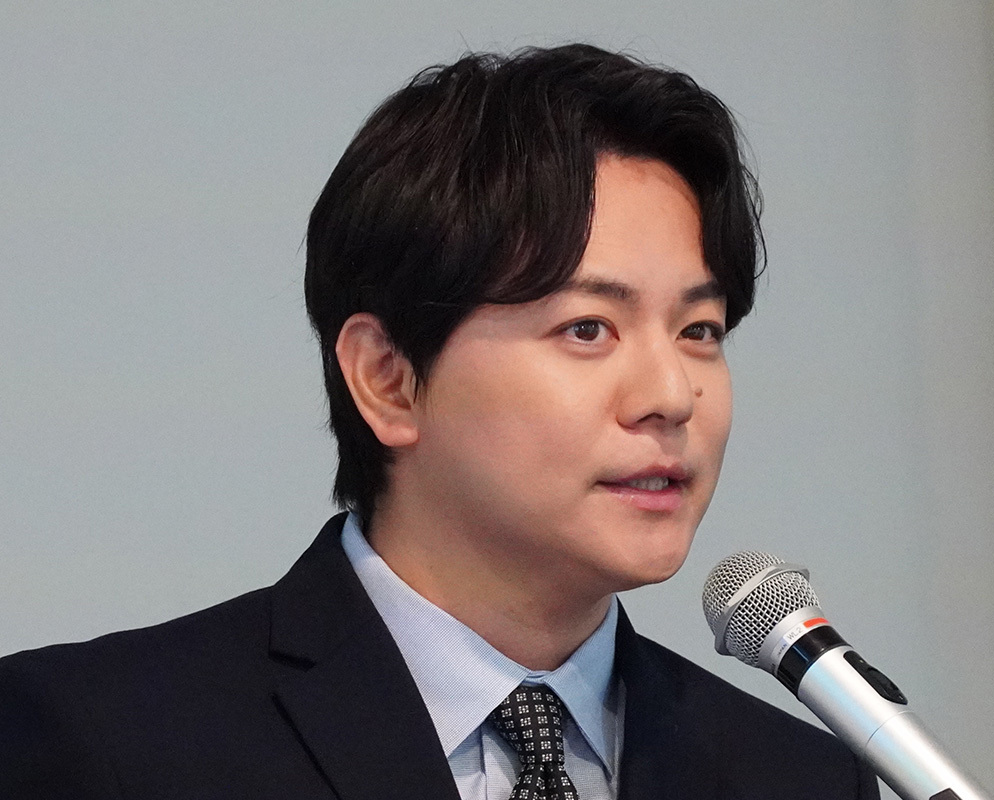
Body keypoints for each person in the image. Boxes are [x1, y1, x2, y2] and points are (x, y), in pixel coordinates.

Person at [0, 44, 879, 799]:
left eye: (699, 331)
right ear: (388, 380)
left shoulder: (798, 778)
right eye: (588, 329)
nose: (672, 395)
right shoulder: (108, 745)